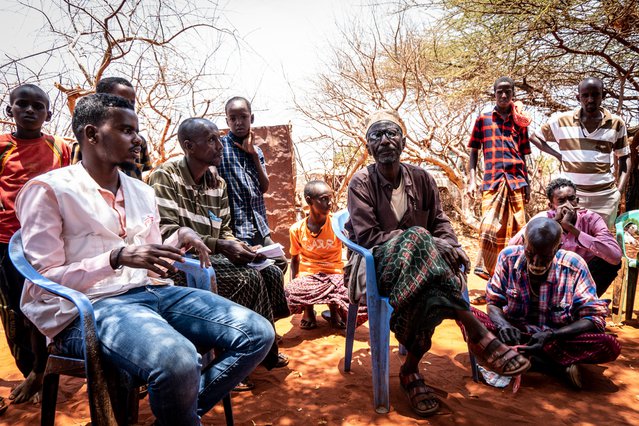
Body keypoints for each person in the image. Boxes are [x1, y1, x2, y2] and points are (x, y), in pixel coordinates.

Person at [16, 94, 274, 424]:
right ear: (92, 134)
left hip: (150, 294)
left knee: (257, 332)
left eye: (136, 130)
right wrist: (115, 257)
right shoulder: (49, 190)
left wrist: (178, 239)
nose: (137, 139)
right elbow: (45, 281)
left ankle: (176, 416)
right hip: (87, 310)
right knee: (178, 359)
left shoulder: (141, 191)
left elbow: (151, 258)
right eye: (126, 130)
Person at [347, 110, 530, 417]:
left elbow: (441, 222)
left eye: (391, 133)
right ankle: (473, 327)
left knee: (429, 290)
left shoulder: (421, 178)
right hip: (379, 267)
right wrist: (430, 241)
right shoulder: (361, 182)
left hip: (422, 271)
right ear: (368, 147)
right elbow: (367, 238)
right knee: (419, 236)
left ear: (403, 142)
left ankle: (411, 371)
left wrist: (447, 242)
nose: (385, 140)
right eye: (376, 136)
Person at [147, 117, 289, 391]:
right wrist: (222, 246)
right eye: (211, 139)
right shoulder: (165, 176)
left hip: (211, 258)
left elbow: (224, 229)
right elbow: (167, 231)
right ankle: (231, 362)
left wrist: (241, 246)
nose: (220, 144)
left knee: (269, 271)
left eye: (218, 138)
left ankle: (258, 349)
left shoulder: (217, 183)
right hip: (180, 264)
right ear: (189, 146)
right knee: (247, 279)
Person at [475, 217, 621, 389]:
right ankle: (552, 366)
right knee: (470, 318)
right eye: (530, 254)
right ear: (523, 243)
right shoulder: (508, 257)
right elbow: (493, 301)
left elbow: (593, 318)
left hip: (556, 340)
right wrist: (503, 325)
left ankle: (521, 359)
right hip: (514, 334)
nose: (536, 262)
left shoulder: (574, 265)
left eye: (545, 257)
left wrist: (551, 335)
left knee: (609, 345)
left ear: (558, 248)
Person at [0, 83, 71, 405]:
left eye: (37, 106)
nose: (30, 111)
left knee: (48, 306)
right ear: (9, 110)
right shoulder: (1, 146)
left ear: (49, 113)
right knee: (16, 310)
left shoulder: (61, 147)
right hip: (6, 242)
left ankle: (44, 371)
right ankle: (32, 372)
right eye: (22, 105)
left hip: (47, 243)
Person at [530, 77, 630, 228]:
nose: (590, 99)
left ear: (603, 96)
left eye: (595, 94)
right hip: (571, 197)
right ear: (578, 97)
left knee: (599, 243)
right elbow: (533, 136)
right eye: (585, 95)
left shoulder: (616, 123)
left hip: (604, 198)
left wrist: (619, 191)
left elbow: (625, 158)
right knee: (569, 239)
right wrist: (557, 155)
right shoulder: (562, 120)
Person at [510, 178, 622, 296]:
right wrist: (551, 225)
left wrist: (573, 230)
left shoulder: (591, 219)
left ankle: (584, 300)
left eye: (572, 199)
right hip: (550, 274)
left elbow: (615, 256)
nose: (568, 205)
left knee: (609, 263)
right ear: (551, 206)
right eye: (561, 201)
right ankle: (540, 299)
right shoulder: (543, 218)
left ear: (577, 201)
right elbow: (512, 247)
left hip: (583, 276)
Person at [467, 76, 531, 281]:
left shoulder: (520, 122)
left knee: (518, 232)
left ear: (513, 94)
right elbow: (474, 152)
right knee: (488, 229)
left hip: (516, 182)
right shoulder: (483, 119)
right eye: (499, 91)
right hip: (492, 182)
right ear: (494, 94)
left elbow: (523, 154)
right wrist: (471, 180)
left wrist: (527, 183)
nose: (504, 95)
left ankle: (512, 279)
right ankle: (490, 276)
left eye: (508, 91)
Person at [218, 96, 287, 272]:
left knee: (279, 263)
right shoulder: (220, 148)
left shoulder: (257, 151)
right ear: (227, 120)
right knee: (249, 272)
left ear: (252, 118)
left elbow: (264, 187)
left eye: (243, 117)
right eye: (233, 118)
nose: (238, 123)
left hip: (259, 226)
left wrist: (254, 156)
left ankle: (271, 300)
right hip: (236, 228)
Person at [286, 180, 367, 330]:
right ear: (309, 200)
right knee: (289, 293)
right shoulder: (296, 229)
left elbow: (351, 253)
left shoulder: (338, 225)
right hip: (309, 277)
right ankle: (308, 310)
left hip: (335, 275)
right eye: (324, 199)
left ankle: (333, 310)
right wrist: (293, 287)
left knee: (360, 302)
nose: (329, 203)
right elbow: (294, 260)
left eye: (330, 198)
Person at [71, 77, 152, 180]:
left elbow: (144, 173)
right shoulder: (84, 143)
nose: (127, 107)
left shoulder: (139, 141)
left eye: (132, 103)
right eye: (118, 99)